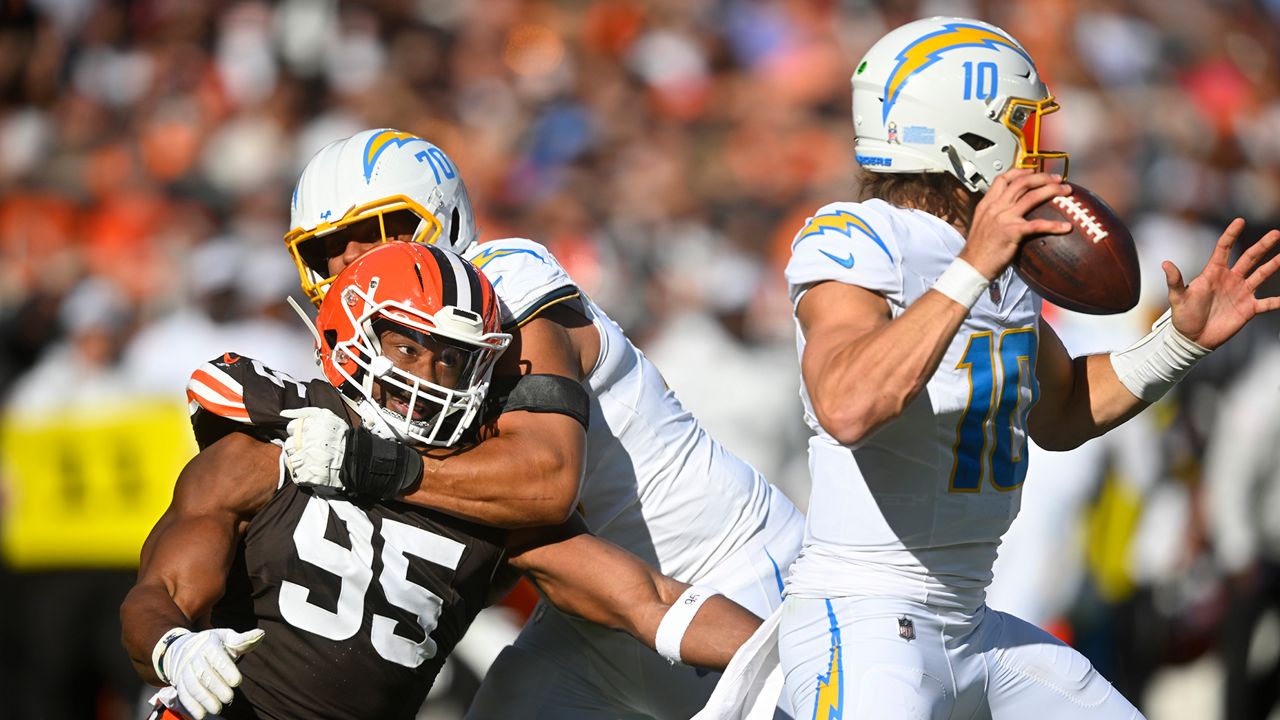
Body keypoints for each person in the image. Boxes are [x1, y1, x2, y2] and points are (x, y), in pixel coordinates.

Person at [771, 16, 1280, 720]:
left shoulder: (1005, 259)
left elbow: (1063, 410)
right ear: (966, 134)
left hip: (974, 619)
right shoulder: (860, 236)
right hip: (864, 615)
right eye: (1023, 125)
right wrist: (973, 266)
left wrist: (1180, 341)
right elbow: (847, 404)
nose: (1041, 148)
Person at [281, 128, 805, 718]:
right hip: (586, 614)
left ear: (443, 219)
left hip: (727, 573)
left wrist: (367, 463)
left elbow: (545, 480)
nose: (354, 259)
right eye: (329, 244)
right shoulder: (358, 357)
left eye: (376, 231)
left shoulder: (505, 280)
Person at [120, 242, 762, 720]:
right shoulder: (267, 452)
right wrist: (175, 647)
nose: (428, 375)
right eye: (406, 348)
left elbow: (647, 599)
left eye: (451, 358)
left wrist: (783, 646)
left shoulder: (481, 493)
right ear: (350, 333)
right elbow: (157, 593)